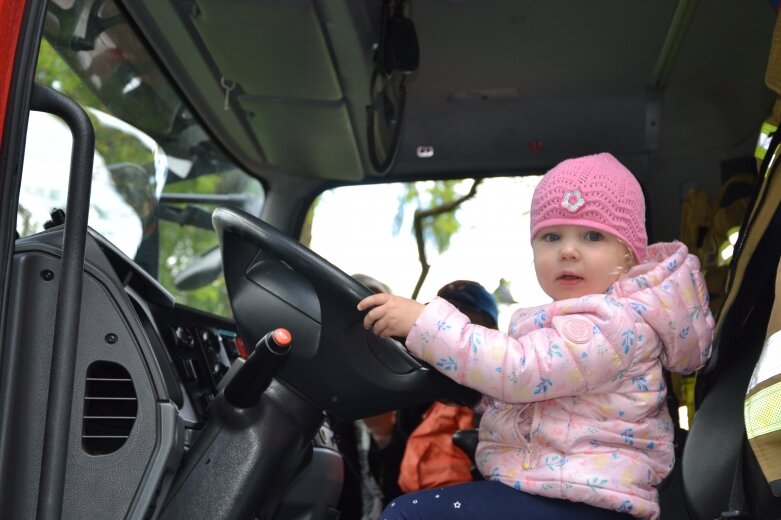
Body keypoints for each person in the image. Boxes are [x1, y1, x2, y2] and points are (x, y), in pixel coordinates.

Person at [357, 152, 715, 519]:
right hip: (557, 491)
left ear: (629, 254)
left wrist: (426, 324)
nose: (568, 251)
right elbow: (536, 395)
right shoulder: (572, 322)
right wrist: (474, 390)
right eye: (551, 236)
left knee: (409, 514)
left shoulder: (615, 324)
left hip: (587, 502)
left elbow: (521, 371)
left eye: (593, 236)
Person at [365, 281, 500, 506]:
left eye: (466, 325)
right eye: (443, 326)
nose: (450, 338)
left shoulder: (497, 397)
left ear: (490, 334)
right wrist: (384, 436)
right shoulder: (417, 390)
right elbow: (394, 483)